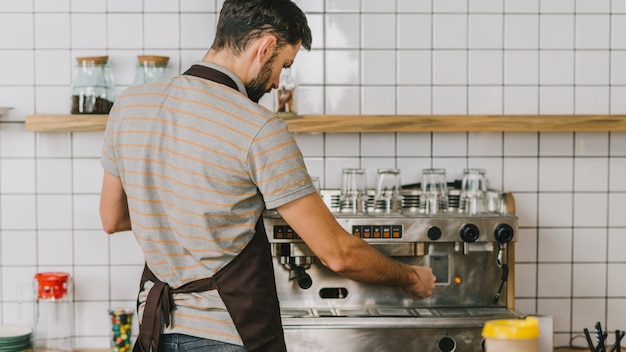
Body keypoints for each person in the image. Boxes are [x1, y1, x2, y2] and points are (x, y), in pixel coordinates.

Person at [99, 0, 436, 351]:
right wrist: (411, 276)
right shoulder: (258, 126)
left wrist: (176, 221)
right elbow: (338, 254)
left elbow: (112, 218)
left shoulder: (129, 105)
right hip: (227, 334)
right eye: (284, 65)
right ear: (266, 47)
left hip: (155, 331)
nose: (277, 83)